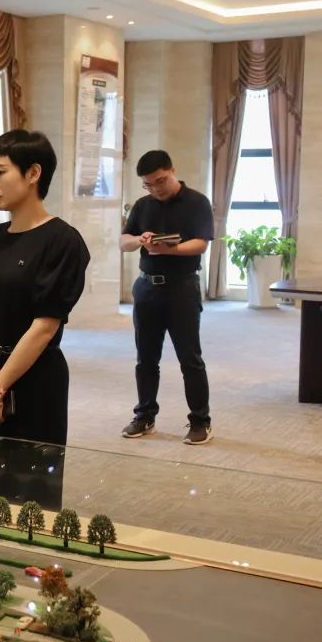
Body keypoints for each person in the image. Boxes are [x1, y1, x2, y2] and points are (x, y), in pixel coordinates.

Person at [0, 130, 89, 509]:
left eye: (0, 173)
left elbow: (45, 327)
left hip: (34, 379)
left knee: (30, 494)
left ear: (33, 173)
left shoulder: (63, 241)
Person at [120, 150, 214, 445]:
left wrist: (168, 249)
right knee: (146, 358)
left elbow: (201, 244)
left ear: (172, 170)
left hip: (181, 288)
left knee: (189, 358)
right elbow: (124, 241)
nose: (155, 189)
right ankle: (145, 415)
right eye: (148, 184)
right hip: (147, 288)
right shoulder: (142, 205)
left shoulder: (197, 202)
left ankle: (200, 421)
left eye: (160, 181)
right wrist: (140, 240)